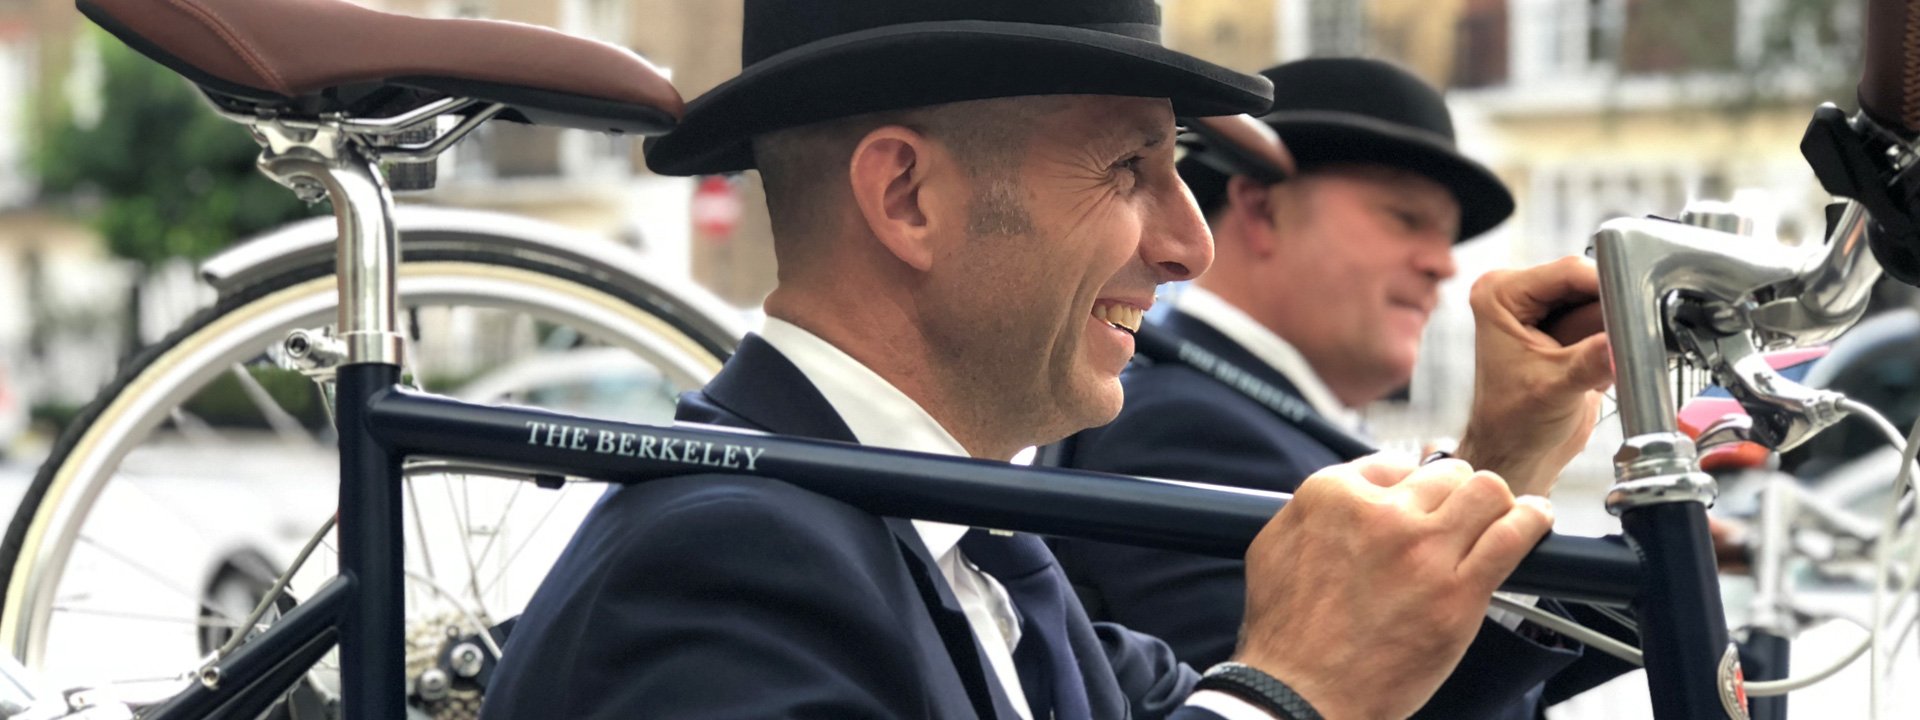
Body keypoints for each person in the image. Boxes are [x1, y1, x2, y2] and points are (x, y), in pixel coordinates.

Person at [481, 3, 1609, 718]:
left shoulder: (965, 543)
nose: (1190, 241)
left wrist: (1501, 475)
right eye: (1128, 169)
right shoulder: (725, 557)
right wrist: (1282, 697)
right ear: (907, 197)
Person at [1046, 58, 1625, 716]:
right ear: (1262, 211)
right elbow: (1341, 697)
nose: (1441, 265)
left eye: (1448, 238)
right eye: (1405, 218)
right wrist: (1503, 464)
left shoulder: (1230, 411)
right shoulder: (1180, 425)